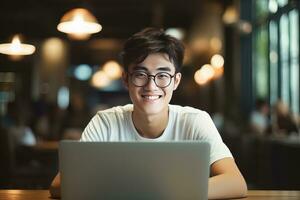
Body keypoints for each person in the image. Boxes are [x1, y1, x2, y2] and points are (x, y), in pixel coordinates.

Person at [49, 28, 247, 199]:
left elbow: (235, 182)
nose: (151, 86)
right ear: (126, 79)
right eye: (140, 74)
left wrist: (162, 193)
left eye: (162, 75)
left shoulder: (195, 121)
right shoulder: (106, 122)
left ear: (176, 81)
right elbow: (59, 185)